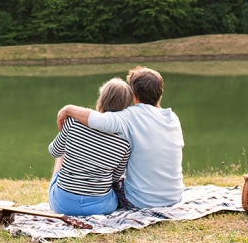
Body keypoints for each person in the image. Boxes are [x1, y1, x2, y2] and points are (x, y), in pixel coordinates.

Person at [56, 66, 184, 209]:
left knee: (108, 182)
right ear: (160, 93)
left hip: (141, 202)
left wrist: (67, 109)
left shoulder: (130, 115)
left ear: (134, 95)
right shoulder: (172, 117)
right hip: (174, 197)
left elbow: (97, 119)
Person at [48, 78, 132, 216]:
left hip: (62, 205)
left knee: (62, 152)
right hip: (100, 208)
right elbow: (115, 178)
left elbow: (54, 151)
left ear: (101, 101)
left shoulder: (73, 123)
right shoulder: (125, 142)